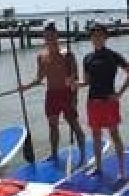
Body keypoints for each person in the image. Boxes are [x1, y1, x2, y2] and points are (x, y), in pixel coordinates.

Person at [18, 21, 85, 165]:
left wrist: (75, 98)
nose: (50, 39)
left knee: (74, 124)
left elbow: (76, 77)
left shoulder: (67, 54)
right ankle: (54, 154)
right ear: (44, 37)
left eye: (52, 35)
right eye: (47, 36)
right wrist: (26, 86)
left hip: (67, 94)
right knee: (52, 125)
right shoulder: (41, 56)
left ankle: (83, 154)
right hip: (51, 95)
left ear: (56, 36)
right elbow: (39, 78)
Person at [72, 23, 129, 179]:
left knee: (114, 134)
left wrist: (119, 93)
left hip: (109, 101)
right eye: (94, 35)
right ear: (91, 38)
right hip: (93, 102)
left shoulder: (113, 55)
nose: (96, 38)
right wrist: (75, 84)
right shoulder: (87, 58)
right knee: (96, 136)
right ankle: (98, 168)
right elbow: (86, 81)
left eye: (100, 35)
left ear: (105, 37)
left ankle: (122, 171)